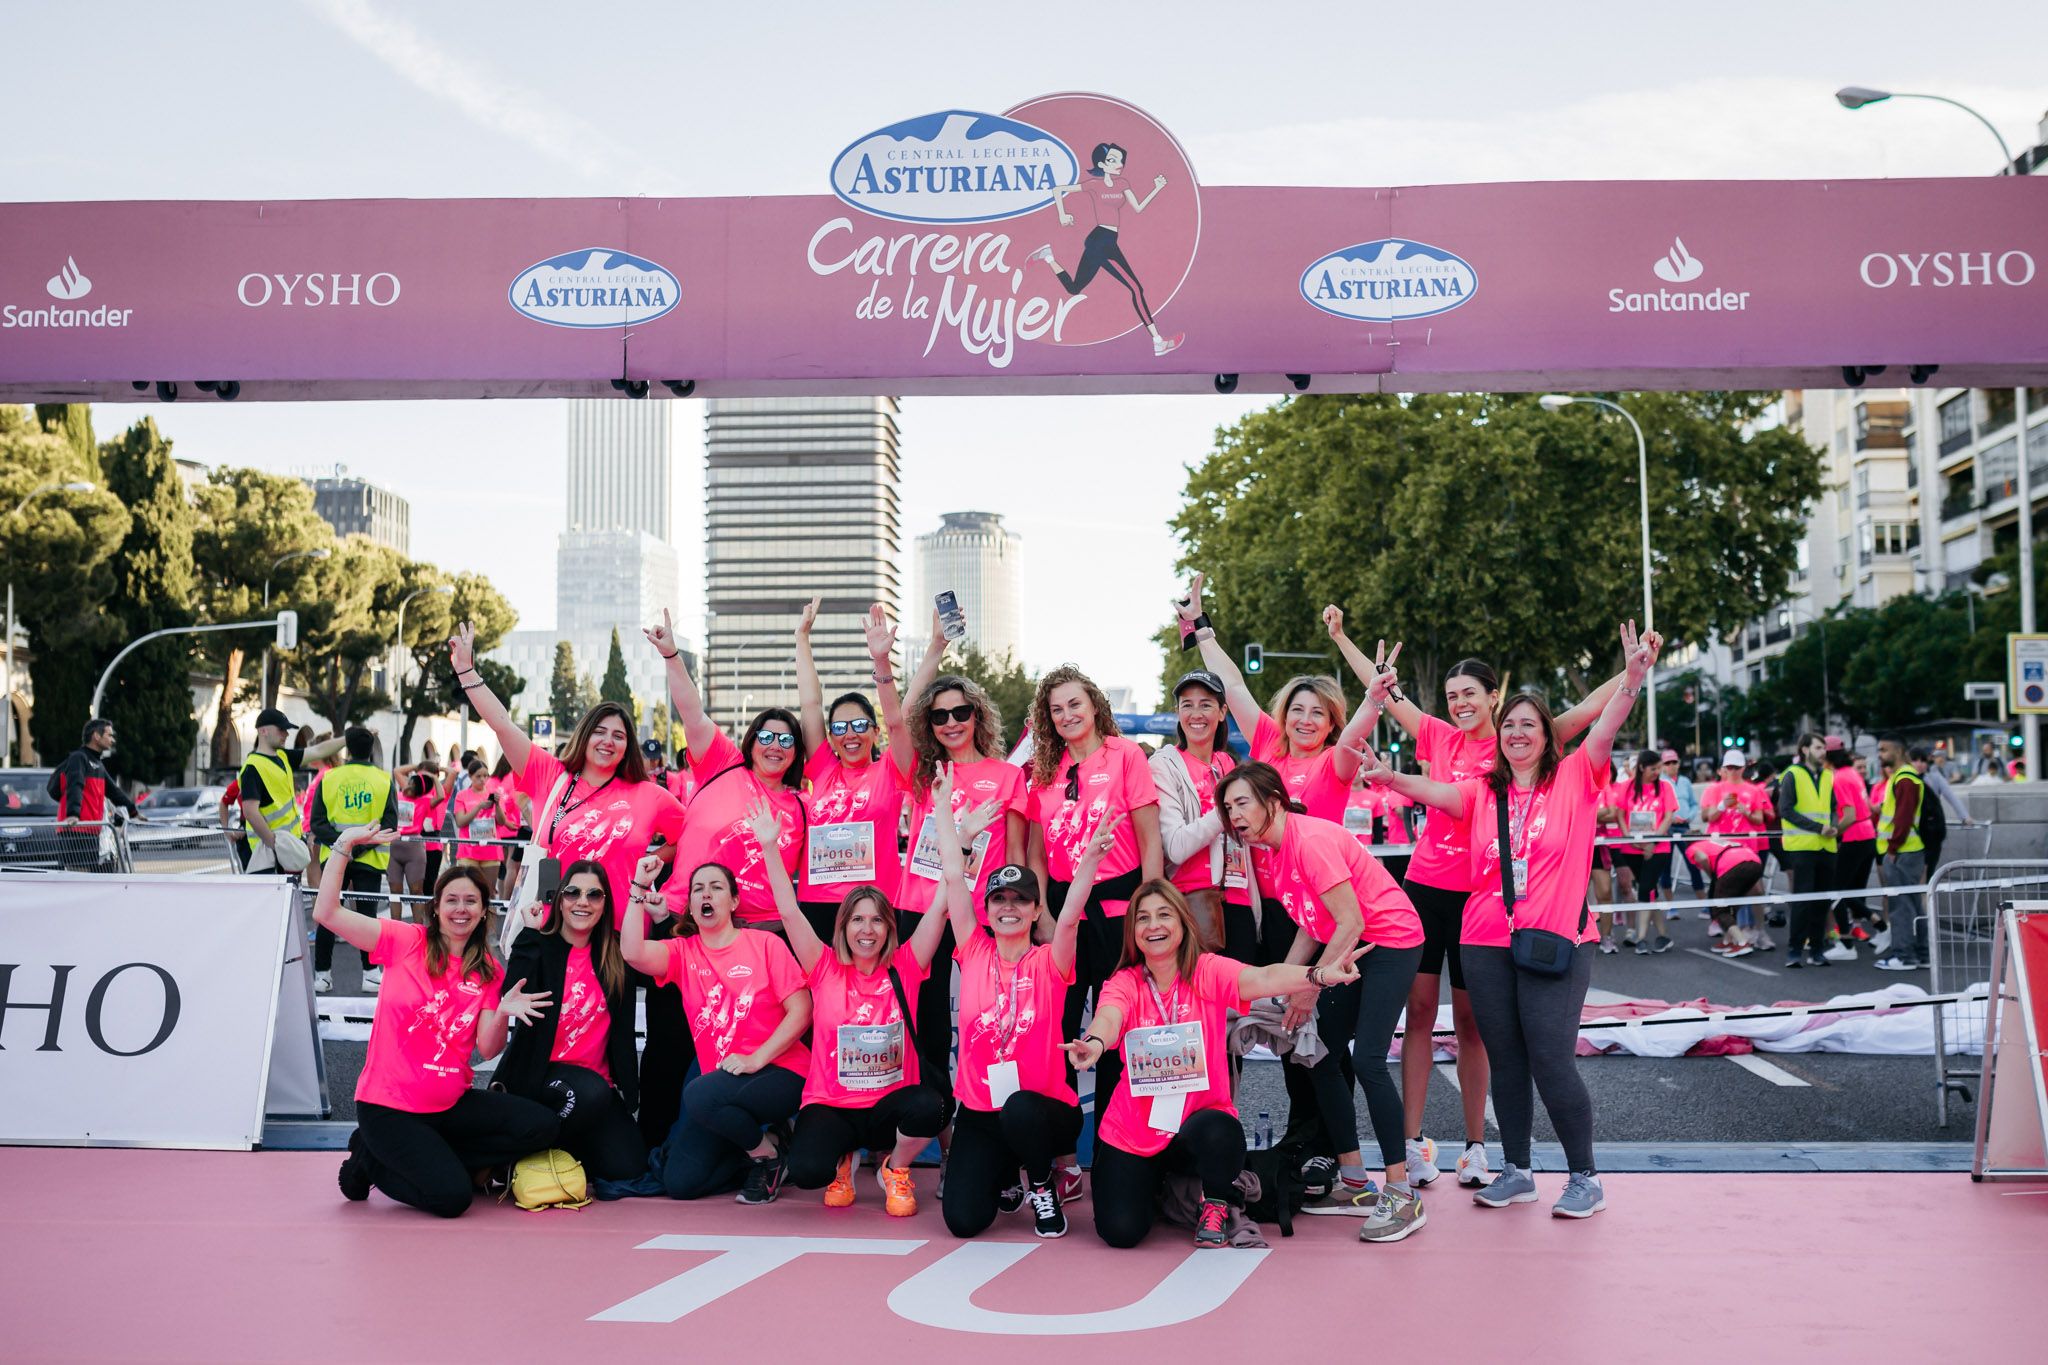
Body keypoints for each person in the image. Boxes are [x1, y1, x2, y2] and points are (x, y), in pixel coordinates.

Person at [1356, 620, 1657, 1220]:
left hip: (1557, 938)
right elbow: (1435, 793)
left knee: (1550, 1056)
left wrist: (1631, 680)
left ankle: (1584, 1177)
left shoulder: (1576, 776)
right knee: (1508, 1055)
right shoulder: (1484, 791)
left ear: (1547, 736)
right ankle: (1517, 1169)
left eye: (1528, 725)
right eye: (1511, 727)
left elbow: (1603, 726)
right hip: (1484, 939)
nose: (1517, 734)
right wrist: (1390, 778)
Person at [447, 621, 688, 1145]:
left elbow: (690, 835)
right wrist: (467, 671)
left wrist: (658, 869)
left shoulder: (649, 796)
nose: (608, 741)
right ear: (585, 735)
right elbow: (503, 724)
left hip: (619, 935)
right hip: (553, 927)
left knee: (618, 1031)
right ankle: (517, 1120)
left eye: (619, 735)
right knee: (537, 1028)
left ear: (629, 747)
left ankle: (617, 1118)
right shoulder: (550, 776)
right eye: (600, 731)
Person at [1064, 882, 1363, 1249]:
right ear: (1133, 932)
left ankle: (1217, 1199)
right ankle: (1161, 1189)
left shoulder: (1205, 970)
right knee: (1120, 1232)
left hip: (1197, 1125)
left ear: (1183, 923)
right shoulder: (1124, 982)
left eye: (1163, 915)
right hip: (1135, 1130)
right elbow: (1109, 1017)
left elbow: (1263, 977)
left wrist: (1319, 975)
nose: (1153, 925)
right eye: (1142, 918)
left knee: (1222, 1131)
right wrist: (1094, 1042)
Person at [1220, 758, 1427, 1242]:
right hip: (1351, 946)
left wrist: (1307, 989)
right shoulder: (1273, 850)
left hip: (1391, 942)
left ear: (1273, 799)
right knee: (1320, 1055)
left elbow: (1351, 921)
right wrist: (1285, 986)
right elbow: (1313, 926)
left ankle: (1401, 1193)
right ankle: (1354, 1182)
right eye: (1228, 808)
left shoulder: (1308, 840)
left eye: (1243, 803)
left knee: (1370, 1059)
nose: (1235, 816)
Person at [321, 827, 559, 1217]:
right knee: (452, 1198)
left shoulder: (488, 971)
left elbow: (487, 1048)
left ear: (484, 910)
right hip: (388, 1108)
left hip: (449, 1105)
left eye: (471, 900)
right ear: (436, 907)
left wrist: (500, 1013)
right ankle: (371, 1159)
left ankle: (434, 1156)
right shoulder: (404, 941)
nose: (460, 909)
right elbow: (326, 912)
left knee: (542, 1125)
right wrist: (344, 845)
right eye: (452, 900)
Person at [938, 762, 1114, 1240]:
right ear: (988, 909)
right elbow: (954, 880)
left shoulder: (1049, 961)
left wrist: (1091, 862)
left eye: (1020, 899)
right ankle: (1002, 1171)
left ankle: (1041, 1186)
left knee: (1019, 1107)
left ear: (1037, 910)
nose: (1009, 906)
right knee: (963, 1221)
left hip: (1044, 1112)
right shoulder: (972, 949)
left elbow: (1074, 913)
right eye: (1000, 899)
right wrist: (942, 805)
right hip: (980, 1111)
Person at [764, 801, 954, 1218]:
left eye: (877, 921)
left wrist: (962, 838)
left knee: (935, 1105)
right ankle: (842, 1162)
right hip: (833, 1106)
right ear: (843, 927)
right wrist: (768, 847)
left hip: (889, 1105)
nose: (866, 931)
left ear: (889, 927)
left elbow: (942, 902)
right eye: (857, 921)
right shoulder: (823, 965)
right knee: (809, 1172)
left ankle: (895, 1167)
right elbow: (788, 912)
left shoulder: (906, 962)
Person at [898, 623, 1033, 1151]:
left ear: (978, 715)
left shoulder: (1007, 777)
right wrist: (932, 648)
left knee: (990, 1027)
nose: (951, 722)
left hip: (984, 920)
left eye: (961, 712)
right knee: (928, 1033)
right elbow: (897, 714)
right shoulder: (920, 773)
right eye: (939, 716)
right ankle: (949, 1145)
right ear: (928, 725)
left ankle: (996, 1142)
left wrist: (1030, 918)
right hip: (920, 911)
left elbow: (1018, 860)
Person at [1024, 662, 1163, 1171]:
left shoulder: (1126, 755)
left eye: (1074, 704)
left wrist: (1149, 913)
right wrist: (1043, 915)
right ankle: (1059, 1160)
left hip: (1121, 908)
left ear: (1095, 705)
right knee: (1056, 1029)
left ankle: (1110, 1154)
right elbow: (1037, 855)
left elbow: (1151, 841)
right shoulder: (1044, 770)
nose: (1066, 715)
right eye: (1056, 709)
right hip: (1062, 914)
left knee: (1116, 1028)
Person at [620, 847, 813, 1204]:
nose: (706, 894)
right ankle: (760, 1146)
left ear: (734, 901)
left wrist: (756, 1058)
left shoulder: (766, 944)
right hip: (723, 1088)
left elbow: (801, 1011)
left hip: (781, 1071)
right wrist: (638, 887)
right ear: (691, 906)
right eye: (698, 889)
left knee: (697, 1092)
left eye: (716, 887)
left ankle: (768, 1157)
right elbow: (632, 952)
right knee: (681, 1184)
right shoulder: (682, 952)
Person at [647, 609, 807, 933]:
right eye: (766, 737)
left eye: (786, 740)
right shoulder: (723, 763)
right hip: (686, 921)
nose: (775, 746)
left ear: (796, 752)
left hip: (761, 935)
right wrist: (672, 657)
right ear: (751, 742)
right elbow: (692, 714)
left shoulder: (803, 805)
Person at [1176, 580, 1378, 825]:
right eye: (1297, 710)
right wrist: (1200, 625)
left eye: (1317, 713)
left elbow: (1354, 733)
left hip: (1313, 864)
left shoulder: (1334, 760)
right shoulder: (1270, 741)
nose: (1305, 720)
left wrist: (1375, 697)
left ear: (1331, 723)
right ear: (1285, 715)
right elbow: (1234, 687)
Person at [495, 861, 646, 1182]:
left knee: (629, 1168)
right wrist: (530, 933)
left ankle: (557, 1152)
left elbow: (658, 959)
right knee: (587, 1093)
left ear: (605, 904)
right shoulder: (541, 944)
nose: (582, 902)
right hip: (542, 1080)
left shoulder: (616, 953)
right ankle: (514, 1151)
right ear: (560, 898)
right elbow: (511, 991)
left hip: (598, 1087)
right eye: (573, 892)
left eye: (594, 895)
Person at [1028, 140, 1184, 356]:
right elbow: (1058, 189)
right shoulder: (1094, 184)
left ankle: (1048, 257)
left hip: (1107, 241)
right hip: (1100, 241)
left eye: (1120, 160)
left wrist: (1156, 188)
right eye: (1112, 160)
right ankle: (1158, 342)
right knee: (1136, 289)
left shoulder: (1123, 184)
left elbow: (1138, 207)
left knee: (1074, 289)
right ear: (1102, 164)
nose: (1118, 164)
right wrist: (1062, 214)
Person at [1149, 668, 1246, 958]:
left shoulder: (1227, 762)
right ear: (1177, 712)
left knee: (1243, 999)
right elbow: (1176, 847)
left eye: (1206, 704)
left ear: (1221, 712)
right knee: (1202, 998)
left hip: (1240, 898)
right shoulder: (1164, 765)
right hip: (1193, 900)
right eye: (1187, 705)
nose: (1196, 714)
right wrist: (1228, 809)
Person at [307, 727, 400, 993]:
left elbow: (317, 823)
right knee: (367, 916)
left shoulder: (330, 778)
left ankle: (322, 975)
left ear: (346, 748)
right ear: (371, 749)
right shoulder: (383, 780)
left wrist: (344, 846)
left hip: (335, 855)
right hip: (368, 858)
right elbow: (391, 824)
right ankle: (370, 973)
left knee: (326, 914)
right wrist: (358, 846)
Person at [237, 709, 343, 874]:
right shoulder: (252, 768)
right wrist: (275, 845)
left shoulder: (282, 756)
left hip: (286, 850)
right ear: (263, 731)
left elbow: (319, 751)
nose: (286, 734)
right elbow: (250, 812)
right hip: (269, 856)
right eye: (281, 729)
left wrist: (348, 739)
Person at [1777, 732, 1838, 969]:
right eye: (1818, 747)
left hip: (1826, 845)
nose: (1823, 752)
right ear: (1805, 750)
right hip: (1803, 846)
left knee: (1822, 901)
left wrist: (1832, 824)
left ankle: (1817, 949)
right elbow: (1786, 810)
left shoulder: (1827, 776)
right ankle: (1794, 950)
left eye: (1824, 748)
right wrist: (1818, 827)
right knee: (1802, 900)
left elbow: (1832, 805)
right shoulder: (1792, 774)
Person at [49, 717, 142, 871]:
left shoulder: (98, 764)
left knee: (91, 878)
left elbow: (114, 792)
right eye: (109, 735)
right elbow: (75, 785)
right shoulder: (79, 758)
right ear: (96, 736)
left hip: (92, 830)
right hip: (75, 830)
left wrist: (133, 811)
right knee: (78, 879)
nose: (112, 740)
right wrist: (73, 814)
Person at [1609, 749, 1677, 954]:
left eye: (1659, 768)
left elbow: (1668, 816)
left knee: (1646, 888)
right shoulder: (1626, 787)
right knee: (1649, 891)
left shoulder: (1665, 787)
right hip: (1631, 847)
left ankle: (1640, 937)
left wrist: (1653, 840)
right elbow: (1619, 814)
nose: (1657, 772)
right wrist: (1631, 837)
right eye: (1653, 768)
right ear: (1641, 767)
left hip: (1658, 848)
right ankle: (1663, 935)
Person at [1874, 734, 1929, 971]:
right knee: (1913, 905)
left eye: (1884, 750)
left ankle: (1904, 955)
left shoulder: (1904, 779)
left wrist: (1893, 847)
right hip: (1908, 850)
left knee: (1901, 906)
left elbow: (1903, 818)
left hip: (1902, 851)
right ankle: (1921, 954)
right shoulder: (1905, 777)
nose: (1880, 754)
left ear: (1898, 751)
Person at [1825, 738, 1877, 953]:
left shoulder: (1839, 778)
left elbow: (1849, 815)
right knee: (1852, 890)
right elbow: (1867, 807)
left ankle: (1846, 943)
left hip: (1853, 836)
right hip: (1868, 834)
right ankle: (1877, 925)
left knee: (1836, 891)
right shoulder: (1853, 774)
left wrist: (1834, 835)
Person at [1686, 836, 1765, 957]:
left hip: (1731, 866)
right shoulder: (1718, 841)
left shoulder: (1693, 847)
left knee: (1719, 909)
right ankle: (1728, 941)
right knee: (1733, 905)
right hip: (1754, 861)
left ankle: (1741, 942)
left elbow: (1701, 858)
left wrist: (1713, 876)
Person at [449, 757, 508, 898]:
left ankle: (490, 920)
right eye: (478, 776)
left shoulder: (493, 795)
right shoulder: (462, 795)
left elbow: (502, 821)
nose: (482, 779)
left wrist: (497, 805)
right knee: (469, 892)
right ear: (470, 776)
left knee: (489, 894)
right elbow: (460, 821)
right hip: (468, 851)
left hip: (491, 851)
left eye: (485, 776)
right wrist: (479, 807)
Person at [1656, 749, 1703, 900]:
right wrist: (1670, 818)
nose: (1671, 766)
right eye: (1667, 763)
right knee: (1665, 867)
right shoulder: (1659, 782)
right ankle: (1671, 907)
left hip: (1684, 827)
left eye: (1674, 762)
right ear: (1662, 765)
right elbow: (1657, 806)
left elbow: (1694, 804)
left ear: (1679, 763)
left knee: (1693, 863)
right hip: (1667, 828)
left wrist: (1688, 817)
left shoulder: (1685, 782)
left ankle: (1705, 906)